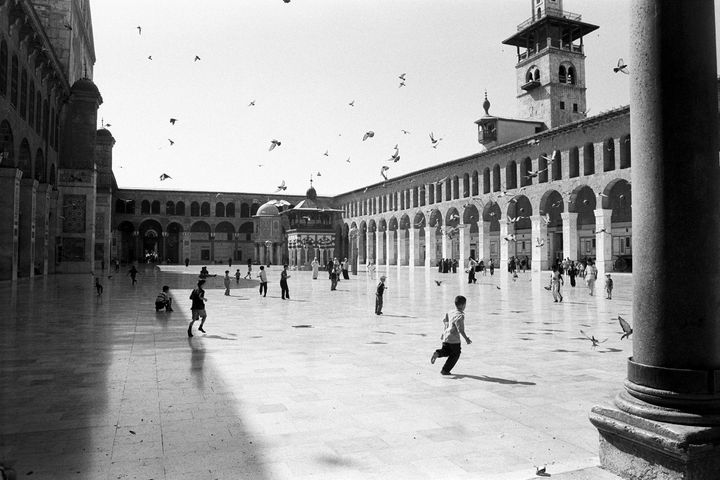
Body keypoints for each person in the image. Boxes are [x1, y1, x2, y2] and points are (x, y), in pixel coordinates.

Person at [430, 295, 472, 376]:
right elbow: (460, 330)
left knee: (446, 351)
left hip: (446, 337)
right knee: (456, 354)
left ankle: (438, 353)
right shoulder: (460, 316)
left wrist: (443, 333)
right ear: (463, 305)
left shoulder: (450, 312)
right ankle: (445, 370)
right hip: (454, 340)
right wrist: (466, 338)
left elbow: (445, 322)